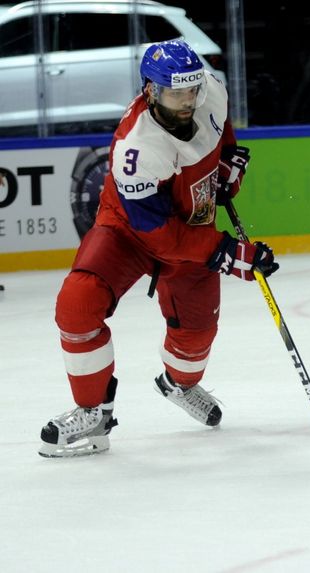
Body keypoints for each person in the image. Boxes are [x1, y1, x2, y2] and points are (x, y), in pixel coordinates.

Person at [39, 40, 278, 458]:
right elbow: (158, 234)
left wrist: (227, 161)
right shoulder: (136, 147)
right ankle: (93, 412)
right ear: (150, 90)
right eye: (175, 93)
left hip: (193, 223)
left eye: (192, 91)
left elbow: (221, 129)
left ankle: (179, 384)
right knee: (77, 304)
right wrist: (226, 252)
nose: (188, 101)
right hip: (129, 232)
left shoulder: (211, 90)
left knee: (197, 334)